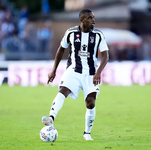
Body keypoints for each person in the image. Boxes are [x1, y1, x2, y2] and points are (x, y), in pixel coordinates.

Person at [42, 9, 109, 140]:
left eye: (93, 18)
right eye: (90, 18)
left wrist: (98, 72)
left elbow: (106, 55)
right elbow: (61, 49)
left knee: (90, 102)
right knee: (63, 91)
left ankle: (87, 133)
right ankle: (51, 118)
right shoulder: (71, 33)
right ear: (82, 20)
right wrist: (54, 70)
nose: (93, 20)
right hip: (73, 70)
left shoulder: (98, 35)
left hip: (90, 73)